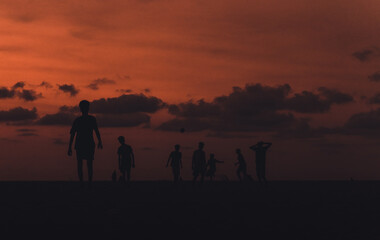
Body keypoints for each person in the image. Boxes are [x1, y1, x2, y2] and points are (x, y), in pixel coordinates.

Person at [68, 100, 103, 186]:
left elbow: (96, 131)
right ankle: (85, 182)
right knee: (86, 164)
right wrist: (69, 147)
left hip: (86, 144)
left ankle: (86, 182)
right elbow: (73, 134)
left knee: (86, 164)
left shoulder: (82, 120)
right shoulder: (84, 120)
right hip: (84, 144)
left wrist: (100, 141)